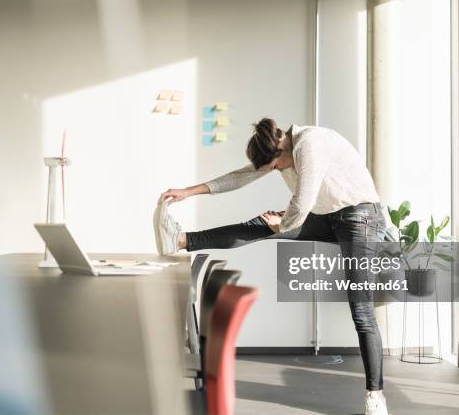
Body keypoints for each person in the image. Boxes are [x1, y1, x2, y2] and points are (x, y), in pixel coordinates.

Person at [153, 117, 388, 415]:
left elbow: (303, 202)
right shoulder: (279, 149)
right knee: (260, 225)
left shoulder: (310, 144)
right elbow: (239, 177)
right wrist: (189, 191)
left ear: (280, 150)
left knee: (361, 311)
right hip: (330, 216)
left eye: (275, 167)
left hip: (362, 218)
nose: (276, 170)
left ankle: (375, 396)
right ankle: (182, 240)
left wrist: (284, 225)